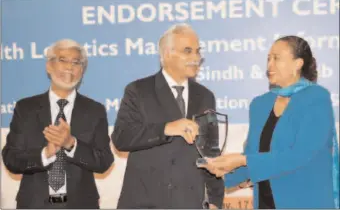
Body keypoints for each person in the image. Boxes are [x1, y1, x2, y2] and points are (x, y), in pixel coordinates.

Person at [199, 35, 339, 209]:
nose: (269, 65)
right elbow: (253, 156)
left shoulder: (316, 98)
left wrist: (243, 160)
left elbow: (300, 154)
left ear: (298, 64)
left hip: (306, 202)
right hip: (266, 203)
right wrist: (219, 175)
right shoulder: (260, 104)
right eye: (268, 58)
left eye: (276, 58)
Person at [111, 23, 224, 209]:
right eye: (187, 51)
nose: (196, 58)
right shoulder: (138, 90)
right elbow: (121, 138)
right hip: (146, 202)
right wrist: (166, 128)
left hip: (190, 202)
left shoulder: (205, 96)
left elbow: (210, 152)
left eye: (197, 51)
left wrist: (214, 200)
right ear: (167, 54)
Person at [2, 39, 114, 209]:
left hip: (81, 204)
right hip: (34, 204)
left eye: (76, 62)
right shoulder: (26, 109)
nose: (69, 67)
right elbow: (11, 159)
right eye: (63, 60)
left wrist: (71, 144)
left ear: (82, 70)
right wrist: (45, 153)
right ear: (49, 66)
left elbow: (104, 161)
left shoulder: (95, 110)